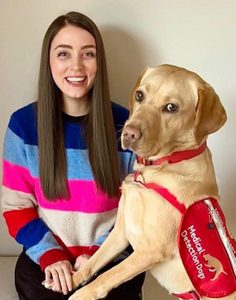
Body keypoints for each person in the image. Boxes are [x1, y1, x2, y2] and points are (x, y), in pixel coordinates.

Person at [1, 11, 145, 300]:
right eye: (63, 54)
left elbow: (136, 214)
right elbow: (17, 209)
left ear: (98, 63)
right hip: (47, 263)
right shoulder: (23, 126)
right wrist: (51, 255)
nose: (76, 65)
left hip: (110, 260)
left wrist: (96, 259)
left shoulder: (128, 127)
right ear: (50, 62)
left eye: (88, 53)